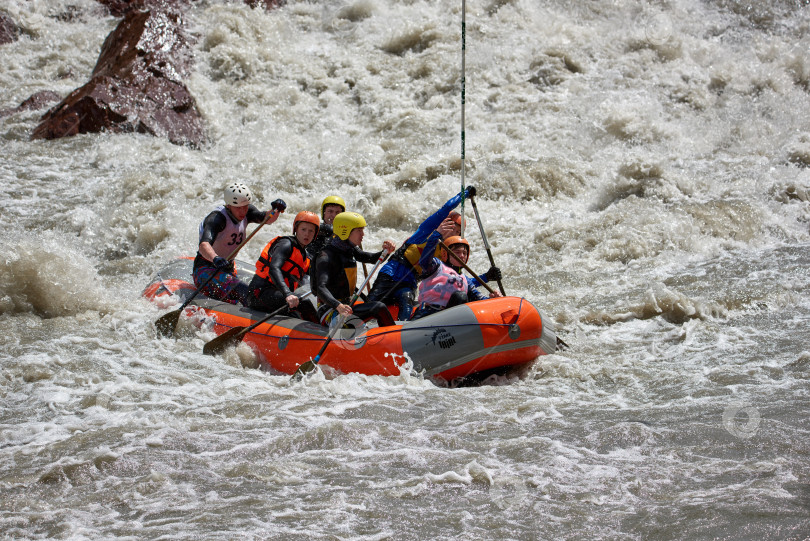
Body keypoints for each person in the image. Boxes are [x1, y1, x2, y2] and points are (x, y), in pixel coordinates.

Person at [366, 186, 479, 321]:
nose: (455, 236)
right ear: (445, 224)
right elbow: (446, 207)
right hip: (391, 273)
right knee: (371, 305)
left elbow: (457, 279)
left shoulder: (447, 251)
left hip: (410, 282)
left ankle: (402, 335)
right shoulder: (427, 231)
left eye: (459, 233)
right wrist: (465, 194)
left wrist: (485, 277)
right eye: (454, 229)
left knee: (407, 303)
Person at [194, 182, 286, 304]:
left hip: (227, 268)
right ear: (228, 206)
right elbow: (203, 245)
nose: (243, 211)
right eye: (238, 208)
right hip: (206, 269)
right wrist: (215, 258)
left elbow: (267, 219)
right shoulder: (217, 218)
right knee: (244, 291)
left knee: (252, 293)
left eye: (245, 206)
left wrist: (277, 210)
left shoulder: (247, 212)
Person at [313, 211, 397, 327]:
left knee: (378, 306)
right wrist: (338, 306)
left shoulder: (349, 249)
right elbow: (321, 288)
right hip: (330, 312)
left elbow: (372, 258)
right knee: (379, 307)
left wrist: (386, 251)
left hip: (347, 307)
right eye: (359, 230)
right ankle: (392, 340)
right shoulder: (326, 256)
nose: (363, 234)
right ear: (345, 231)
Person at [411, 222, 501, 320]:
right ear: (445, 254)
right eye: (457, 252)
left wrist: (493, 300)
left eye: (464, 253)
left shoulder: (466, 281)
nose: (462, 256)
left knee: (461, 297)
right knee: (460, 296)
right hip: (427, 314)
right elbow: (425, 260)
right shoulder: (436, 266)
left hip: (450, 320)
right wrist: (436, 235)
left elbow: (480, 300)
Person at [246, 211, 320, 322]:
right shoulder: (285, 244)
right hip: (260, 293)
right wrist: (287, 294)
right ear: (296, 229)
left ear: (315, 234)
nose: (307, 234)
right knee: (304, 304)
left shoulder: (306, 257)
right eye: (303, 229)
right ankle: (321, 334)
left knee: (300, 311)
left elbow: (319, 277)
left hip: (279, 296)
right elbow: (273, 269)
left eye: (311, 231)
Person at [306, 195, 345, 261]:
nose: (334, 215)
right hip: (312, 265)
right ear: (324, 213)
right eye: (330, 211)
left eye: (337, 212)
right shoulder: (315, 228)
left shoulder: (346, 233)